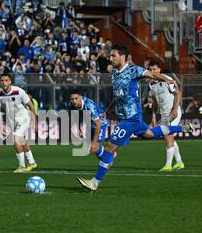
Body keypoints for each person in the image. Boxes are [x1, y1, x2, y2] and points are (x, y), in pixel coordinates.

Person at [77, 44, 194, 192]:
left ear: (123, 57)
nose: (110, 58)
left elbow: (152, 75)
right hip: (128, 117)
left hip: (130, 118)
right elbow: (117, 95)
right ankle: (184, 128)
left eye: (113, 55)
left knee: (109, 147)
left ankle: (94, 182)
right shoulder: (114, 72)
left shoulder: (133, 70)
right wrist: (107, 109)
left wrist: (167, 79)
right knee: (149, 134)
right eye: (110, 56)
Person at [148, 61, 185, 172]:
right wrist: (153, 118)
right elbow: (154, 101)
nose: (152, 72)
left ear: (159, 70)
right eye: (150, 69)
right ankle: (179, 162)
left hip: (174, 112)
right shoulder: (151, 84)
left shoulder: (167, 80)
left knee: (167, 135)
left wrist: (174, 109)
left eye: (154, 69)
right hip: (164, 115)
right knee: (169, 136)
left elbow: (178, 94)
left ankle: (168, 165)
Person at [0, 73, 37, 173]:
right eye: (2, 80)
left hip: (24, 117)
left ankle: (21, 166)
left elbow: (31, 106)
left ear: (10, 81)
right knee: (22, 141)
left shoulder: (19, 91)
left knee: (16, 139)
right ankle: (32, 163)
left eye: (6, 80)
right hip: (12, 120)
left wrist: (34, 122)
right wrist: (1, 125)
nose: (4, 82)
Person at [69, 91, 108, 161]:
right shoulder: (72, 104)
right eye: (72, 99)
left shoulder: (89, 106)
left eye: (76, 98)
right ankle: (107, 159)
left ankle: (109, 156)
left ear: (80, 97)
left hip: (100, 123)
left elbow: (98, 124)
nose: (74, 101)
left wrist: (94, 142)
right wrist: (79, 130)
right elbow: (75, 116)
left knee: (94, 147)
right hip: (89, 124)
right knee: (91, 149)